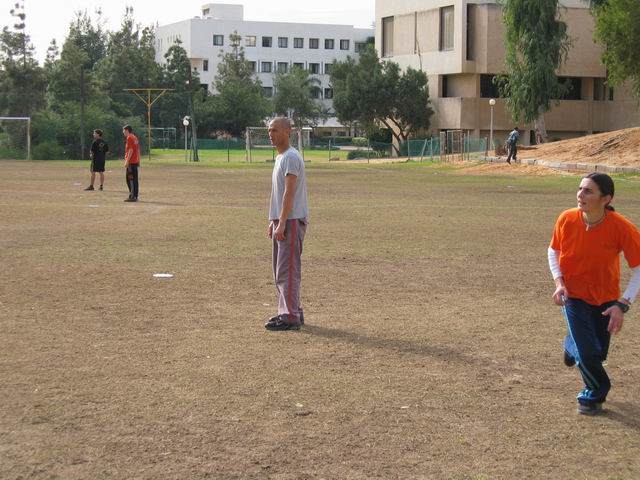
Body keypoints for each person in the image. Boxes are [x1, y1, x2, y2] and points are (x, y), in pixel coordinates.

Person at [548, 172, 640, 415]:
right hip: (573, 296)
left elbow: (639, 269)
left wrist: (622, 304)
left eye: (588, 191)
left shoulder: (622, 227)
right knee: (589, 353)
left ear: (606, 199)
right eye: (580, 189)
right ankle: (593, 395)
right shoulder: (567, 218)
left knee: (596, 353)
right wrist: (559, 282)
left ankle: (571, 346)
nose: (580, 194)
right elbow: (553, 250)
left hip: (607, 299)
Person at [264, 117, 309, 331]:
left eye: (274, 130)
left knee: (287, 270)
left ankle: (290, 316)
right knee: (281, 270)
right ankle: (291, 310)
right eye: (269, 130)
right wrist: (273, 221)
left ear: (287, 131)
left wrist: (281, 222)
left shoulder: (291, 157)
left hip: (290, 220)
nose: (270, 134)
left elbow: (289, 192)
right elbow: (278, 192)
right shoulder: (281, 157)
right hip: (282, 220)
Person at [123, 125, 140, 202]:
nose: (123, 132)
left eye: (124, 130)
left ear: (127, 130)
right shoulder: (135, 137)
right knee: (134, 180)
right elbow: (138, 150)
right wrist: (138, 160)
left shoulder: (129, 137)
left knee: (130, 179)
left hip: (131, 162)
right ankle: (135, 196)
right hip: (134, 161)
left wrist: (127, 161)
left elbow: (131, 150)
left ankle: (132, 196)